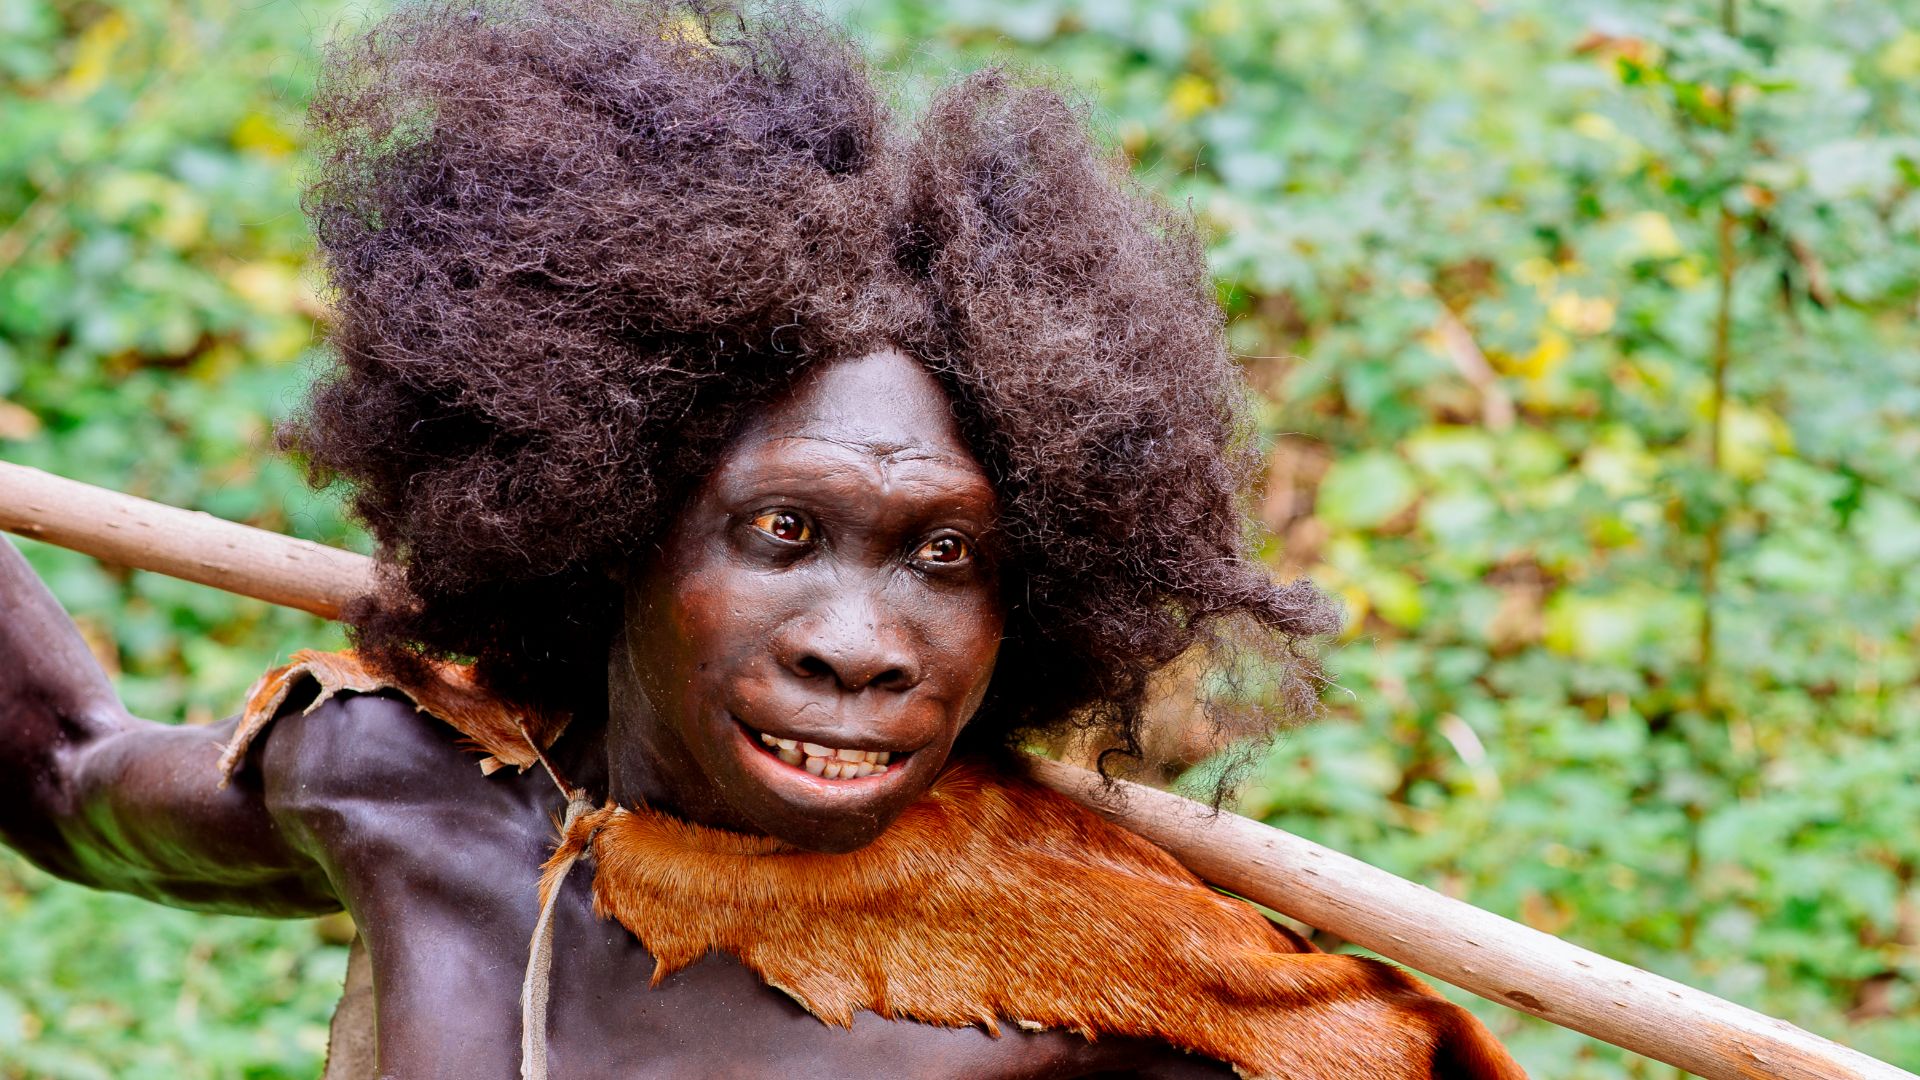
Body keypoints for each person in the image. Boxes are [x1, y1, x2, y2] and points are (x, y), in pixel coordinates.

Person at [0, 1, 1526, 1075]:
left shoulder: (1100, 984)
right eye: (783, 531)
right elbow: (67, 773)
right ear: (605, 531)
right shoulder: (405, 786)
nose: (860, 646)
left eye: (944, 558)